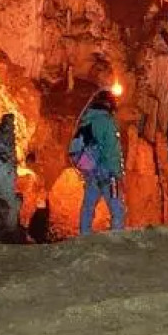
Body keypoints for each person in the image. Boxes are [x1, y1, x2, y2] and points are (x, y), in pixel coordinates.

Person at [70, 88, 126, 233]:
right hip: (108, 174)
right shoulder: (107, 122)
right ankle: (116, 238)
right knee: (117, 209)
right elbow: (111, 150)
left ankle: (84, 237)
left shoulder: (85, 120)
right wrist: (117, 173)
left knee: (88, 208)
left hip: (91, 173)